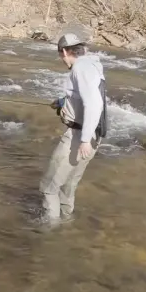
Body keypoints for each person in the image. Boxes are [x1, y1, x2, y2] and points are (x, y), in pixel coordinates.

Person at [39, 33, 107, 227]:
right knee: (68, 186)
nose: (62, 59)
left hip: (79, 138)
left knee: (49, 188)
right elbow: (85, 96)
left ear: (65, 52)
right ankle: (67, 226)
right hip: (93, 136)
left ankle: (49, 234)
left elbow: (93, 104)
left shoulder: (80, 68)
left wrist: (84, 139)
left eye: (61, 55)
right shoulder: (92, 65)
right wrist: (62, 102)